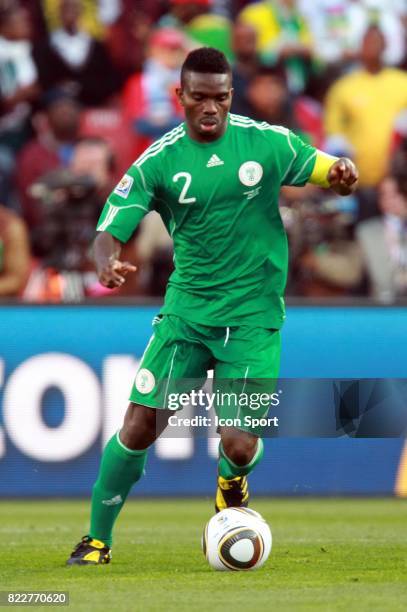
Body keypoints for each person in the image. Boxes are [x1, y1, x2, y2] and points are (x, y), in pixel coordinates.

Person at [66, 47, 358, 565]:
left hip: (252, 318)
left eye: (220, 98)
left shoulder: (265, 142)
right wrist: (105, 261)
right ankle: (96, 540)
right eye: (199, 97)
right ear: (180, 96)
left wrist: (340, 172)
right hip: (187, 317)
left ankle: (231, 483)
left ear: (230, 96)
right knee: (138, 429)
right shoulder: (159, 160)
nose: (210, 108)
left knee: (240, 445)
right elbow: (111, 226)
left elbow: (321, 166)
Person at [324, 25, 407, 218]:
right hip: (362, 184)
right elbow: (334, 136)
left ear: (385, 45)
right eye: (368, 42)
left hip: (400, 183)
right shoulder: (343, 87)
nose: (372, 47)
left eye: (377, 42)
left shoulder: (402, 82)